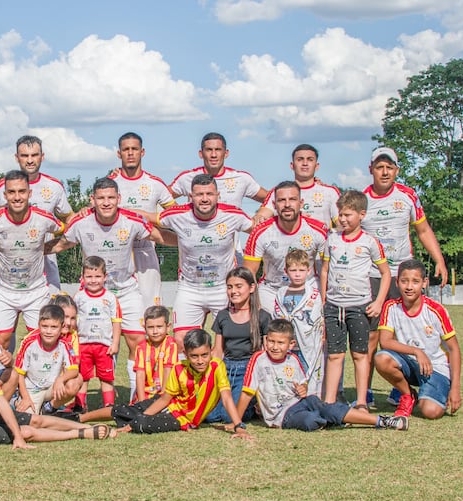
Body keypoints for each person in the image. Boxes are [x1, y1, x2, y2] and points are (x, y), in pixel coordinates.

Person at [46, 177, 171, 400]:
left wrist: (187, 241)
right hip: (91, 294)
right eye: (101, 198)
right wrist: (31, 249)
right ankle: (71, 400)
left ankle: (137, 397)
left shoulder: (132, 220)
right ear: (92, 200)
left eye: (111, 197)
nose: (106, 202)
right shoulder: (81, 223)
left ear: (119, 199)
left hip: (126, 291)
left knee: (138, 341)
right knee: (80, 344)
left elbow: (158, 235)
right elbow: (61, 244)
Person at [362, 147, 448, 406]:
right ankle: (365, 392)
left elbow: (422, 230)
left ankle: (401, 389)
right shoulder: (361, 198)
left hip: (402, 275)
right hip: (372, 276)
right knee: (372, 337)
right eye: (379, 166)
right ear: (371, 170)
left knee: (405, 332)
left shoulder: (408, 196)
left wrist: (439, 260)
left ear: (397, 170)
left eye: (390, 167)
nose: (385, 171)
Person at [236, 319, 408, 431]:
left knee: (328, 407)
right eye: (271, 341)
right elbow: (247, 392)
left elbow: (302, 384)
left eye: (280, 343)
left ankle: (382, 421)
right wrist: (238, 424)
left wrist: (303, 388)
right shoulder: (259, 359)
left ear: (291, 344)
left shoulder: (293, 359)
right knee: (311, 421)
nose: (274, 347)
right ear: (266, 341)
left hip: (302, 401)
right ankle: (335, 418)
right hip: (282, 414)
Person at [0, 170, 63, 354]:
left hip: (35, 290)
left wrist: (50, 247)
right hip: (4, 290)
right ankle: (0, 381)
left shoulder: (44, 218)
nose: (17, 197)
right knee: (0, 342)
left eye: (21, 191)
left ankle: (34, 382)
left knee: (41, 341)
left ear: (29, 193)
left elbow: (69, 229)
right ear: (5, 195)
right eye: (12, 192)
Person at [155, 173, 253, 352]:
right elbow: (147, 218)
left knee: (227, 343)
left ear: (218, 195)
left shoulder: (233, 214)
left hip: (222, 288)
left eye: (209, 194)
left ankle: (221, 379)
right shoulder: (177, 214)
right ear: (190, 197)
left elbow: (260, 231)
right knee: (181, 340)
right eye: (199, 195)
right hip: (190, 288)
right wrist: (113, 210)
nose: (205, 199)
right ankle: (191, 380)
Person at [111, 329, 251, 438]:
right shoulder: (179, 368)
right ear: (186, 354)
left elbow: (226, 398)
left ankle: (132, 422)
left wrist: (238, 426)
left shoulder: (217, 366)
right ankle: (87, 417)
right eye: (194, 356)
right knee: (125, 410)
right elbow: (165, 399)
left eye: (204, 355)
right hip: (169, 404)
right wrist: (143, 415)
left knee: (141, 424)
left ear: (210, 351)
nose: (200, 361)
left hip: (183, 419)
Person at [321, 190, 390, 408]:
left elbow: (386, 273)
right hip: (334, 306)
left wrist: (378, 302)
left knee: (360, 355)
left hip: (360, 306)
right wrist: (324, 302)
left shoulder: (370, 242)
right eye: (340, 214)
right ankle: (330, 401)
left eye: (348, 215)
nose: (342, 219)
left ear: (362, 214)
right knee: (334, 355)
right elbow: (324, 270)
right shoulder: (331, 239)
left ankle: (361, 402)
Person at [375, 259, 461, 419]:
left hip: (435, 369)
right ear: (397, 282)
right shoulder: (391, 307)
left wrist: (455, 388)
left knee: (431, 412)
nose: (409, 287)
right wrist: (417, 352)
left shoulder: (436, 310)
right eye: (404, 281)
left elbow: (454, 349)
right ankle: (408, 394)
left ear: (424, 283)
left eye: (415, 281)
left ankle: (433, 390)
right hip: (410, 364)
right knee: (381, 358)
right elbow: (385, 341)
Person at [0, 135, 74, 293]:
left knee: (51, 314)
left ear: (42, 156)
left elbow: (70, 218)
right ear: (16, 158)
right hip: (10, 266)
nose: (30, 160)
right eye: (24, 155)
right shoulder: (3, 186)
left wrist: (61, 243)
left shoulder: (54, 186)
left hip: (45, 263)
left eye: (34, 155)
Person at [108, 132, 176, 307]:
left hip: (146, 251)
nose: (130, 153)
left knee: (151, 312)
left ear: (142, 152)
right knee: (112, 311)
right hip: (117, 254)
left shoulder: (155, 184)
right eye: (126, 149)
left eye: (134, 149)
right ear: (119, 153)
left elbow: (176, 216)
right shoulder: (109, 183)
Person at [243, 181, 328, 314]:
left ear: (301, 203)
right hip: (272, 290)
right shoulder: (260, 232)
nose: (287, 205)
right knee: (270, 331)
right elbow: (249, 273)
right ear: (274, 205)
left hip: (308, 287)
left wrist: (324, 300)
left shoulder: (318, 230)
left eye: (292, 199)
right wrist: (253, 305)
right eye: (282, 200)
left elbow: (327, 268)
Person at [204, 267, 271, 424]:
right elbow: (218, 350)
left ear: (252, 287)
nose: (233, 291)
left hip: (248, 371)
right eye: (229, 287)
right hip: (226, 369)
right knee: (209, 416)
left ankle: (252, 405)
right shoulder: (223, 316)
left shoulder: (262, 317)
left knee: (228, 417)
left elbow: (266, 352)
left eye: (238, 286)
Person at [273, 250, 325, 398]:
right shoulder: (281, 293)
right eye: (293, 270)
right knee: (288, 372)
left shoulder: (314, 293)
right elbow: (277, 316)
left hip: (306, 344)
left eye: (301, 270)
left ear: (309, 271)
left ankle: (310, 398)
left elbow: (316, 318)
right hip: (287, 344)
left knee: (307, 371)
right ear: (286, 271)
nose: (297, 274)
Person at [73, 257, 122, 411]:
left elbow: (116, 321)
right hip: (83, 345)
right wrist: (74, 344)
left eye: (97, 276)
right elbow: (73, 321)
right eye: (89, 276)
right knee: (83, 377)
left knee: (106, 377)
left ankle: (109, 406)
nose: (93, 280)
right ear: (82, 278)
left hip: (104, 346)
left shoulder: (110, 298)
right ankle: (80, 405)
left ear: (105, 277)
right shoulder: (79, 297)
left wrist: (115, 343)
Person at [13, 305, 80, 415]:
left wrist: (61, 379)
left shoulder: (65, 344)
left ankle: (49, 408)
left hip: (52, 388)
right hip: (31, 390)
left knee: (76, 380)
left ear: (62, 326)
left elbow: (74, 370)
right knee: (28, 423)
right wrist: (25, 397)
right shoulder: (29, 342)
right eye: (44, 326)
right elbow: (19, 373)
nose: (48, 331)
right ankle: (17, 401)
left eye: (54, 327)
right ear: (39, 325)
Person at [169, 132, 268, 207]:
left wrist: (260, 216)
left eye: (218, 150)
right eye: (209, 150)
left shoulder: (241, 178)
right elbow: (160, 197)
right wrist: (179, 216)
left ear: (226, 153)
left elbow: (272, 199)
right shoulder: (187, 178)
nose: (213, 155)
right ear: (201, 154)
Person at [253, 144, 340, 227]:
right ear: (292, 165)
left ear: (316, 166)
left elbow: (343, 222)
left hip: (321, 242)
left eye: (310, 159)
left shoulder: (330, 192)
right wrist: (260, 217)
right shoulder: (278, 192)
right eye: (300, 159)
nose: (305, 163)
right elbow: (261, 217)